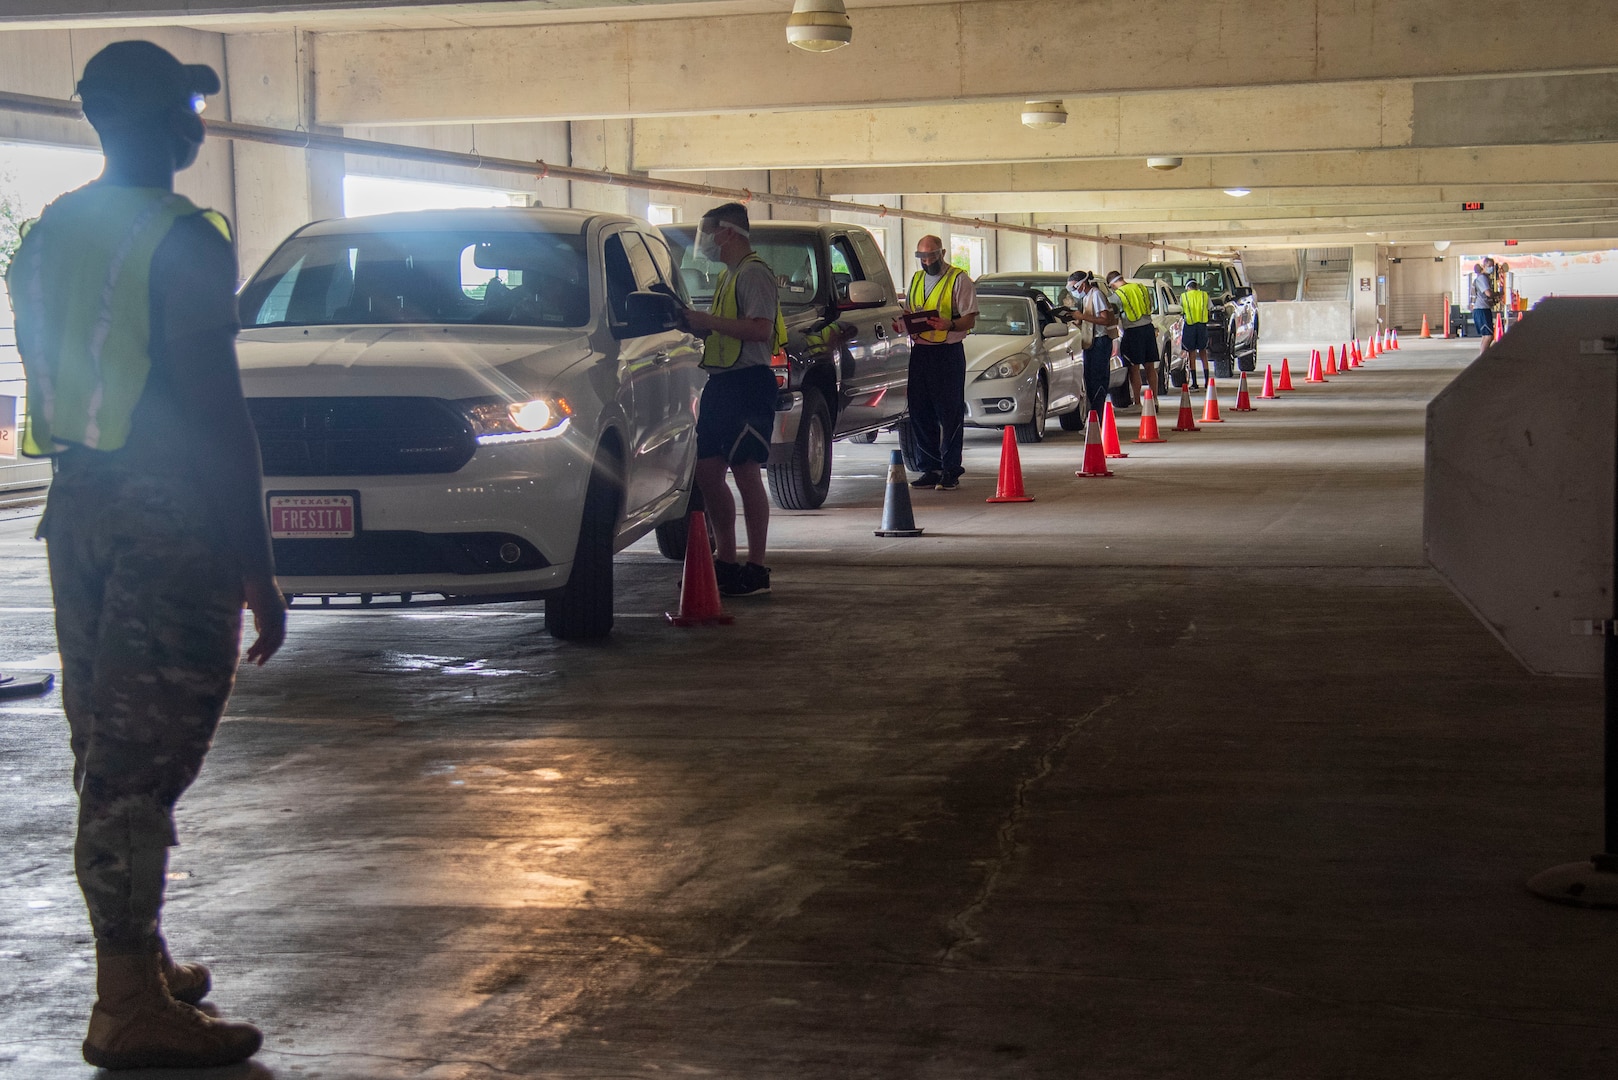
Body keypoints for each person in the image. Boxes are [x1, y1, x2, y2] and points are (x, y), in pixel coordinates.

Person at [4, 41, 286, 1070]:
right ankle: (125, 1005)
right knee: (141, 761)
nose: (197, 125)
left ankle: (141, 957)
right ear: (165, 122)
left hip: (76, 506)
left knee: (106, 747)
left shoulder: (48, 236)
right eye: (188, 108)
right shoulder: (182, 238)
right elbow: (215, 413)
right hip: (167, 521)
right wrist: (257, 563)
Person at [681, 202, 787, 597]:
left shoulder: (754, 273)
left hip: (748, 384)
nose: (704, 240)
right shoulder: (730, 275)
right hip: (722, 384)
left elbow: (760, 330)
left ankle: (756, 566)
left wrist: (707, 322)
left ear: (728, 232)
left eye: (708, 231)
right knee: (709, 474)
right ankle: (725, 560)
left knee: (745, 473)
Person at [895, 235, 977, 490]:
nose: (927, 261)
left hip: (948, 352)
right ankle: (930, 467)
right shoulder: (917, 279)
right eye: (922, 257)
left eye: (931, 255)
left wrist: (949, 324)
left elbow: (970, 319)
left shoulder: (959, 279)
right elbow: (911, 310)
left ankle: (950, 469)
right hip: (921, 352)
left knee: (949, 412)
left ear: (942, 253)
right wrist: (902, 323)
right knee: (920, 410)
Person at [1068, 272, 1117, 420]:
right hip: (1091, 343)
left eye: (1074, 287)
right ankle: (1093, 417)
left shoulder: (1096, 295)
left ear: (1082, 284)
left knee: (1097, 379)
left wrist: (1082, 317)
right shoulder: (1086, 297)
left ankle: (1098, 417)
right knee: (1089, 379)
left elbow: (1105, 319)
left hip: (1100, 342)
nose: (1073, 292)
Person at [1108, 271, 1159, 404]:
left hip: (1132, 332)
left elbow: (1114, 316)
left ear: (1112, 284)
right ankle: (1154, 400)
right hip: (1148, 329)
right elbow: (1150, 306)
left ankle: (1137, 402)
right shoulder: (1141, 288)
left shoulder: (1117, 295)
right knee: (1150, 367)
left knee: (1134, 368)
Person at [1178, 277, 1212, 389]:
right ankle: (1207, 382)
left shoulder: (1184, 296)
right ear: (1197, 286)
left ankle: (1195, 383)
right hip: (1202, 326)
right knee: (1203, 353)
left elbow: (1180, 311)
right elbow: (1210, 308)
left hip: (1190, 326)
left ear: (1187, 287)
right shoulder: (1204, 295)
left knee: (1191, 353)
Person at [1469, 257, 1498, 352]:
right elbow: (1488, 293)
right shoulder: (1482, 278)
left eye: (1492, 266)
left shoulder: (1485, 278)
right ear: (1484, 266)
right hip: (1481, 309)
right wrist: (1498, 294)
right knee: (1488, 336)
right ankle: (1483, 358)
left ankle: (1484, 355)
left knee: (1487, 335)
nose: (1491, 268)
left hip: (1483, 309)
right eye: (1489, 266)